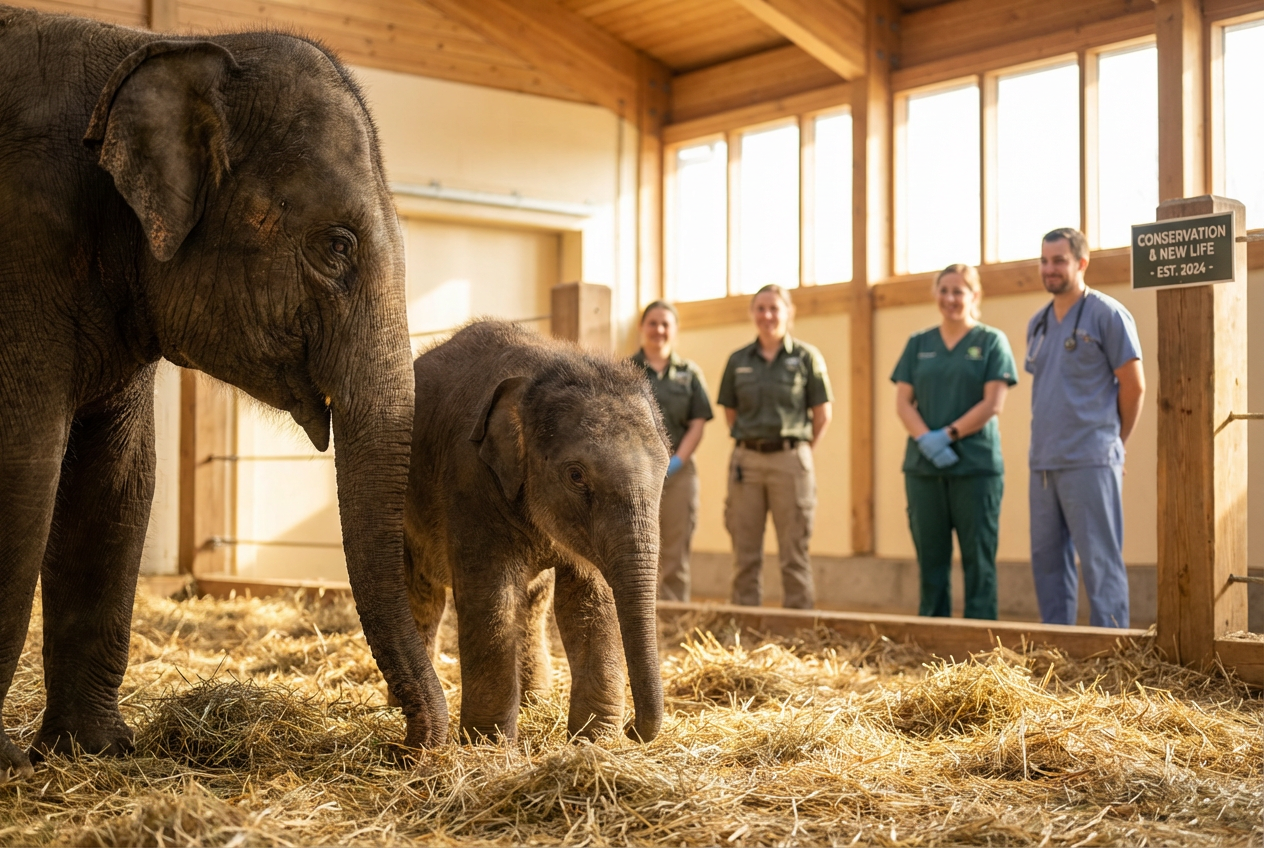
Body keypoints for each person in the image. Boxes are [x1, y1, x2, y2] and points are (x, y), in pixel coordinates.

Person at [1026, 227, 1145, 628]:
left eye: (1059, 260)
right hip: (1043, 462)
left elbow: (1134, 385)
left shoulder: (1106, 314)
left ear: (1081, 262)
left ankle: (1111, 654)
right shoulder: (1038, 324)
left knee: (1099, 561)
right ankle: (1058, 652)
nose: (1050, 269)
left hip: (1090, 458)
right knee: (1047, 562)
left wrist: (1116, 442)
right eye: (1044, 261)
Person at [892, 264, 1018, 620]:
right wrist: (925, 440)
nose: (950, 298)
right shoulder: (919, 344)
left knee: (979, 561)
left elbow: (993, 403)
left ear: (974, 295)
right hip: (923, 468)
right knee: (931, 560)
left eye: (959, 291)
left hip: (975, 468)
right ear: (935, 294)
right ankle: (933, 645)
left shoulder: (991, 341)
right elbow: (903, 402)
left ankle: (979, 647)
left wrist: (948, 436)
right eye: (944, 290)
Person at [717, 284, 832, 609]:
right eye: (761, 308)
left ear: (788, 313)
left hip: (791, 461)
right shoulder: (738, 360)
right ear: (753, 313)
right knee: (745, 553)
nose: (767, 315)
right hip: (747, 463)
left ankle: (798, 633)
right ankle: (744, 628)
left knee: (794, 554)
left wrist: (800, 452)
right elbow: (730, 412)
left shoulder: (806, 357)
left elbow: (822, 414)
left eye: (774, 308)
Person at [631, 301, 714, 602]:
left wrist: (677, 461)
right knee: (638, 547)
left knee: (676, 549)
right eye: (652, 323)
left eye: (666, 324)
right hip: (636, 474)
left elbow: (698, 422)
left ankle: (674, 615)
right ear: (642, 327)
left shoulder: (689, 374)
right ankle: (642, 617)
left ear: (675, 330)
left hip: (679, 473)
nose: (659, 330)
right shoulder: (626, 371)